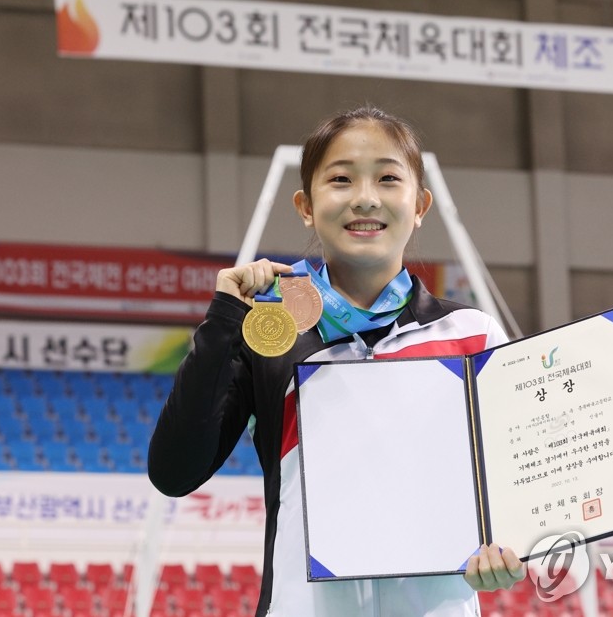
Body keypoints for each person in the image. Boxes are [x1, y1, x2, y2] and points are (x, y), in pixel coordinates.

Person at [148, 106, 526, 616]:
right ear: (306, 205)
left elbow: (516, 489)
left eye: (389, 179)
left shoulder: (470, 335)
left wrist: (510, 547)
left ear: (420, 205)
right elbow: (174, 472)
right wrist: (223, 322)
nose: (365, 198)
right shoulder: (269, 332)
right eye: (341, 179)